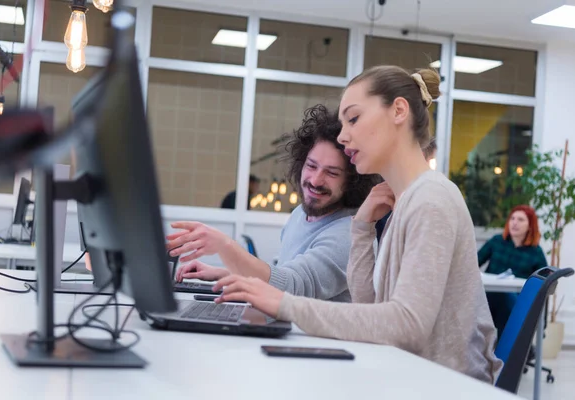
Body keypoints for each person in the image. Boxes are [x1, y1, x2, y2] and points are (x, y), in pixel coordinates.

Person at [213, 65, 502, 383]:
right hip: (410, 375)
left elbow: (408, 326)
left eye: (353, 118)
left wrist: (285, 304)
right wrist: (363, 227)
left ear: (398, 111)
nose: (342, 135)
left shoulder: (430, 199)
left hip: (443, 384)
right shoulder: (406, 199)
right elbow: (369, 308)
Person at [167, 104, 380, 302]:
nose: (315, 180)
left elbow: (293, 288)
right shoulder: (300, 214)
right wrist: (226, 274)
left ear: (353, 180)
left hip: (321, 341)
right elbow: (281, 272)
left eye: (332, 173)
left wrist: (225, 246)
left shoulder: (351, 233)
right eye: (311, 166)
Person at [478, 205, 548, 339]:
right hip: (489, 297)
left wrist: (541, 324)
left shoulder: (536, 252)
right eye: (512, 218)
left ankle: (507, 350)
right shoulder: (497, 241)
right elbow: (473, 263)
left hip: (514, 301)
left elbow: (543, 287)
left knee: (508, 298)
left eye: (521, 220)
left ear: (530, 225)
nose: (515, 223)